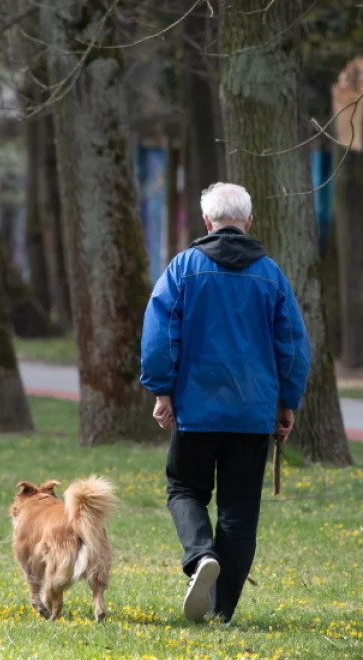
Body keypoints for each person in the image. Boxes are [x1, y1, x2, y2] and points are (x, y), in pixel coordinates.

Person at [139, 182, 311, 624]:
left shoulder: (183, 269)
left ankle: (199, 557)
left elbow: (160, 337)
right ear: (248, 222)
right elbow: (291, 344)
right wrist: (286, 401)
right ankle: (221, 611)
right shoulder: (270, 274)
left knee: (184, 489)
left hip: (196, 411)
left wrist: (163, 391)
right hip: (253, 415)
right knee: (238, 513)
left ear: (206, 222)